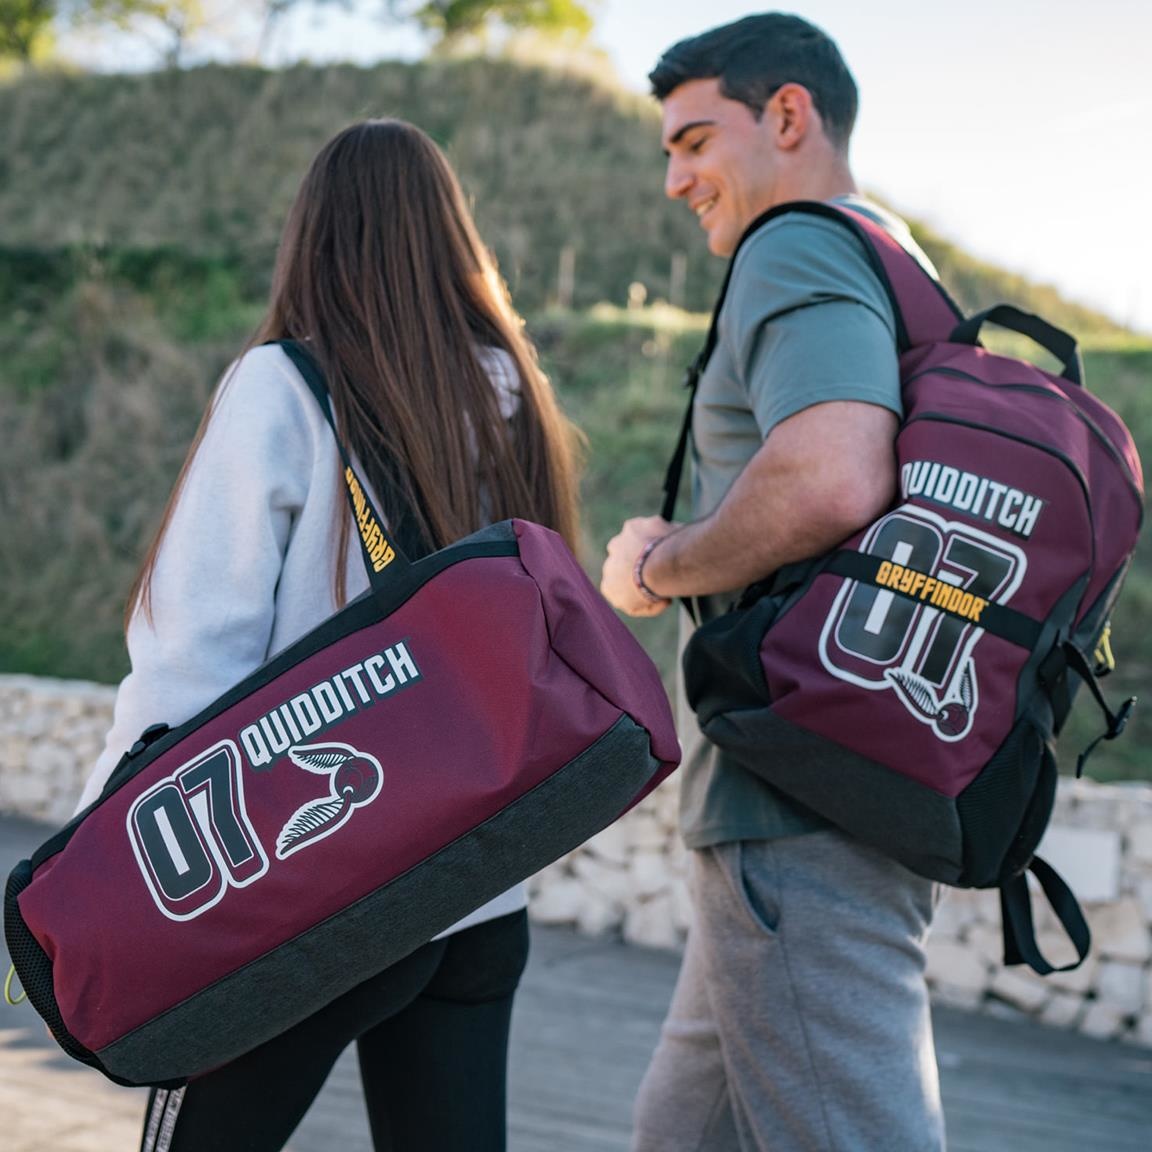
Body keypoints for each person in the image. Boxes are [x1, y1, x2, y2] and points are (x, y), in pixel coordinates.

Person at [75, 118, 583, 1152]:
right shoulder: (512, 394)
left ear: (314, 236)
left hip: (316, 887)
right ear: (452, 235)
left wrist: (103, 855)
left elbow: (195, 652)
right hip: (477, 888)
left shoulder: (284, 387)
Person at [600, 14, 946, 1152]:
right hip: (840, 772)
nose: (674, 180)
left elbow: (833, 472)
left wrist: (660, 562)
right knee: (681, 1130)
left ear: (787, 116)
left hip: (797, 794)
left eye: (696, 141)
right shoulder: (895, 256)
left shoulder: (794, 244)